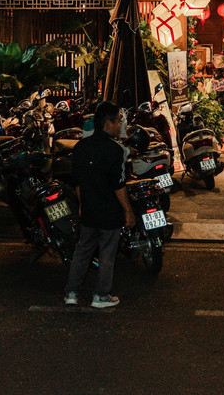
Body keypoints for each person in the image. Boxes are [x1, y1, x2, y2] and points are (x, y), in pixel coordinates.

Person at [63, 100, 136, 309]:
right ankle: (101, 296)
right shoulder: (116, 150)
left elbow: (77, 182)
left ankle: (71, 293)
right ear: (108, 124)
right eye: (118, 121)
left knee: (82, 252)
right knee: (107, 254)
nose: (120, 126)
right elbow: (119, 185)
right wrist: (128, 211)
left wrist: (82, 204)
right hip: (109, 211)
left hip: (89, 209)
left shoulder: (80, 147)